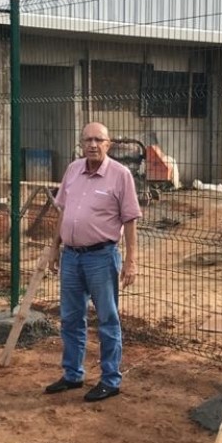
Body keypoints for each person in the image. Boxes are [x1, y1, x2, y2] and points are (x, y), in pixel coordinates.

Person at [42, 122, 141, 402]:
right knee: (71, 318)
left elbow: (130, 220)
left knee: (108, 319)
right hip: (71, 257)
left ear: (109, 144)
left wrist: (131, 261)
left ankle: (111, 379)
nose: (93, 145)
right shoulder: (73, 170)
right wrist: (54, 248)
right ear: (81, 143)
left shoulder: (121, 176)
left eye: (99, 140)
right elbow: (63, 212)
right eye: (87, 140)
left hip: (102, 257)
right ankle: (73, 374)